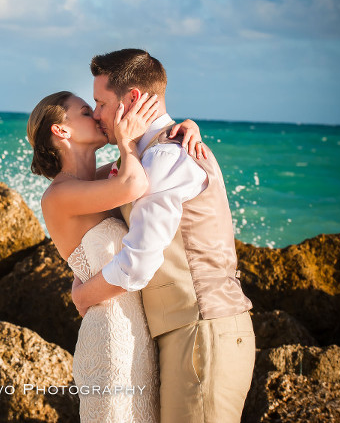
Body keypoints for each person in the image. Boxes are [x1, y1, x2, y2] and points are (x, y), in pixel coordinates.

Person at [71, 48, 255, 423]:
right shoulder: (146, 158)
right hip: (189, 333)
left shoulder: (166, 158)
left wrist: (82, 296)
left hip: (203, 333)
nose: (97, 114)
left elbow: (137, 265)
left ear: (133, 99)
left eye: (101, 103)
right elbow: (84, 183)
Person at [27, 90, 205, 422]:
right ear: (60, 130)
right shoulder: (58, 195)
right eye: (84, 111)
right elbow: (135, 184)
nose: (96, 115)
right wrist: (125, 140)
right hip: (110, 339)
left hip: (140, 335)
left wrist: (184, 129)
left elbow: (149, 162)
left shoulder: (98, 180)